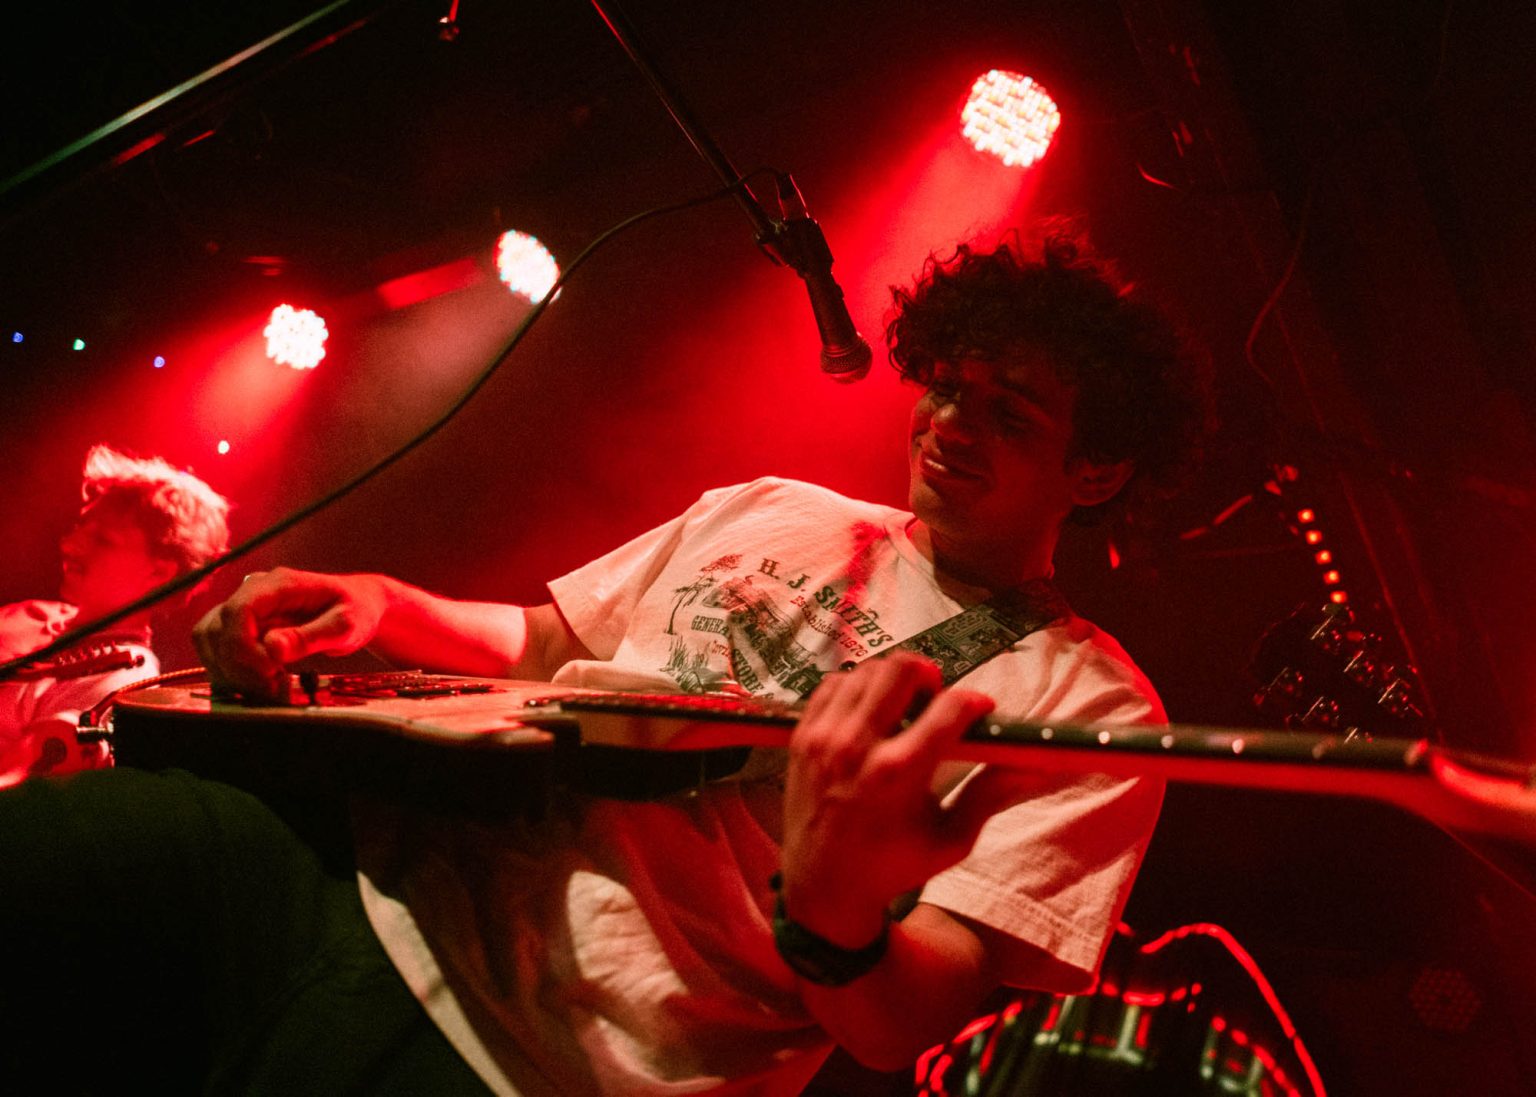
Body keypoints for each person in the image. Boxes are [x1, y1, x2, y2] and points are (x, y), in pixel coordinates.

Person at [0, 227, 1205, 1095]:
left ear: (1096, 471)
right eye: (948, 385)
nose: (951, 423)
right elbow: (545, 641)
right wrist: (379, 599)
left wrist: (836, 913)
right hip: (345, 864)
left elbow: (904, 1019)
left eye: (1012, 413)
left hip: (548, 1060)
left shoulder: (1088, 700)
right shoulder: (775, 503)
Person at [0, 444, 231, 786]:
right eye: (81, 527)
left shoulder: (120, 684)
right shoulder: (35, 613)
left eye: (103, 540)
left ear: (160, 572)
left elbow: (22, 794)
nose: (70, 545)